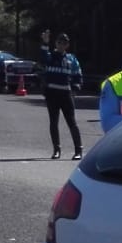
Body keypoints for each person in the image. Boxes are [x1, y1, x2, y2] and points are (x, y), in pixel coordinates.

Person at [38, 29, 84, 159]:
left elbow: (78, 74)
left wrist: (76, 86)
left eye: (64, 43)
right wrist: (45, 42)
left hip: (66, 94)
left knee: (72, 122)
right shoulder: (50, 56)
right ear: (55, 44)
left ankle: (78, 150)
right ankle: (56, 149)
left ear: (67, 45)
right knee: (53, 122)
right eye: (59, 42)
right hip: (52, 93)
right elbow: (42, 57)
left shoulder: (71, 59)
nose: (61, 45)